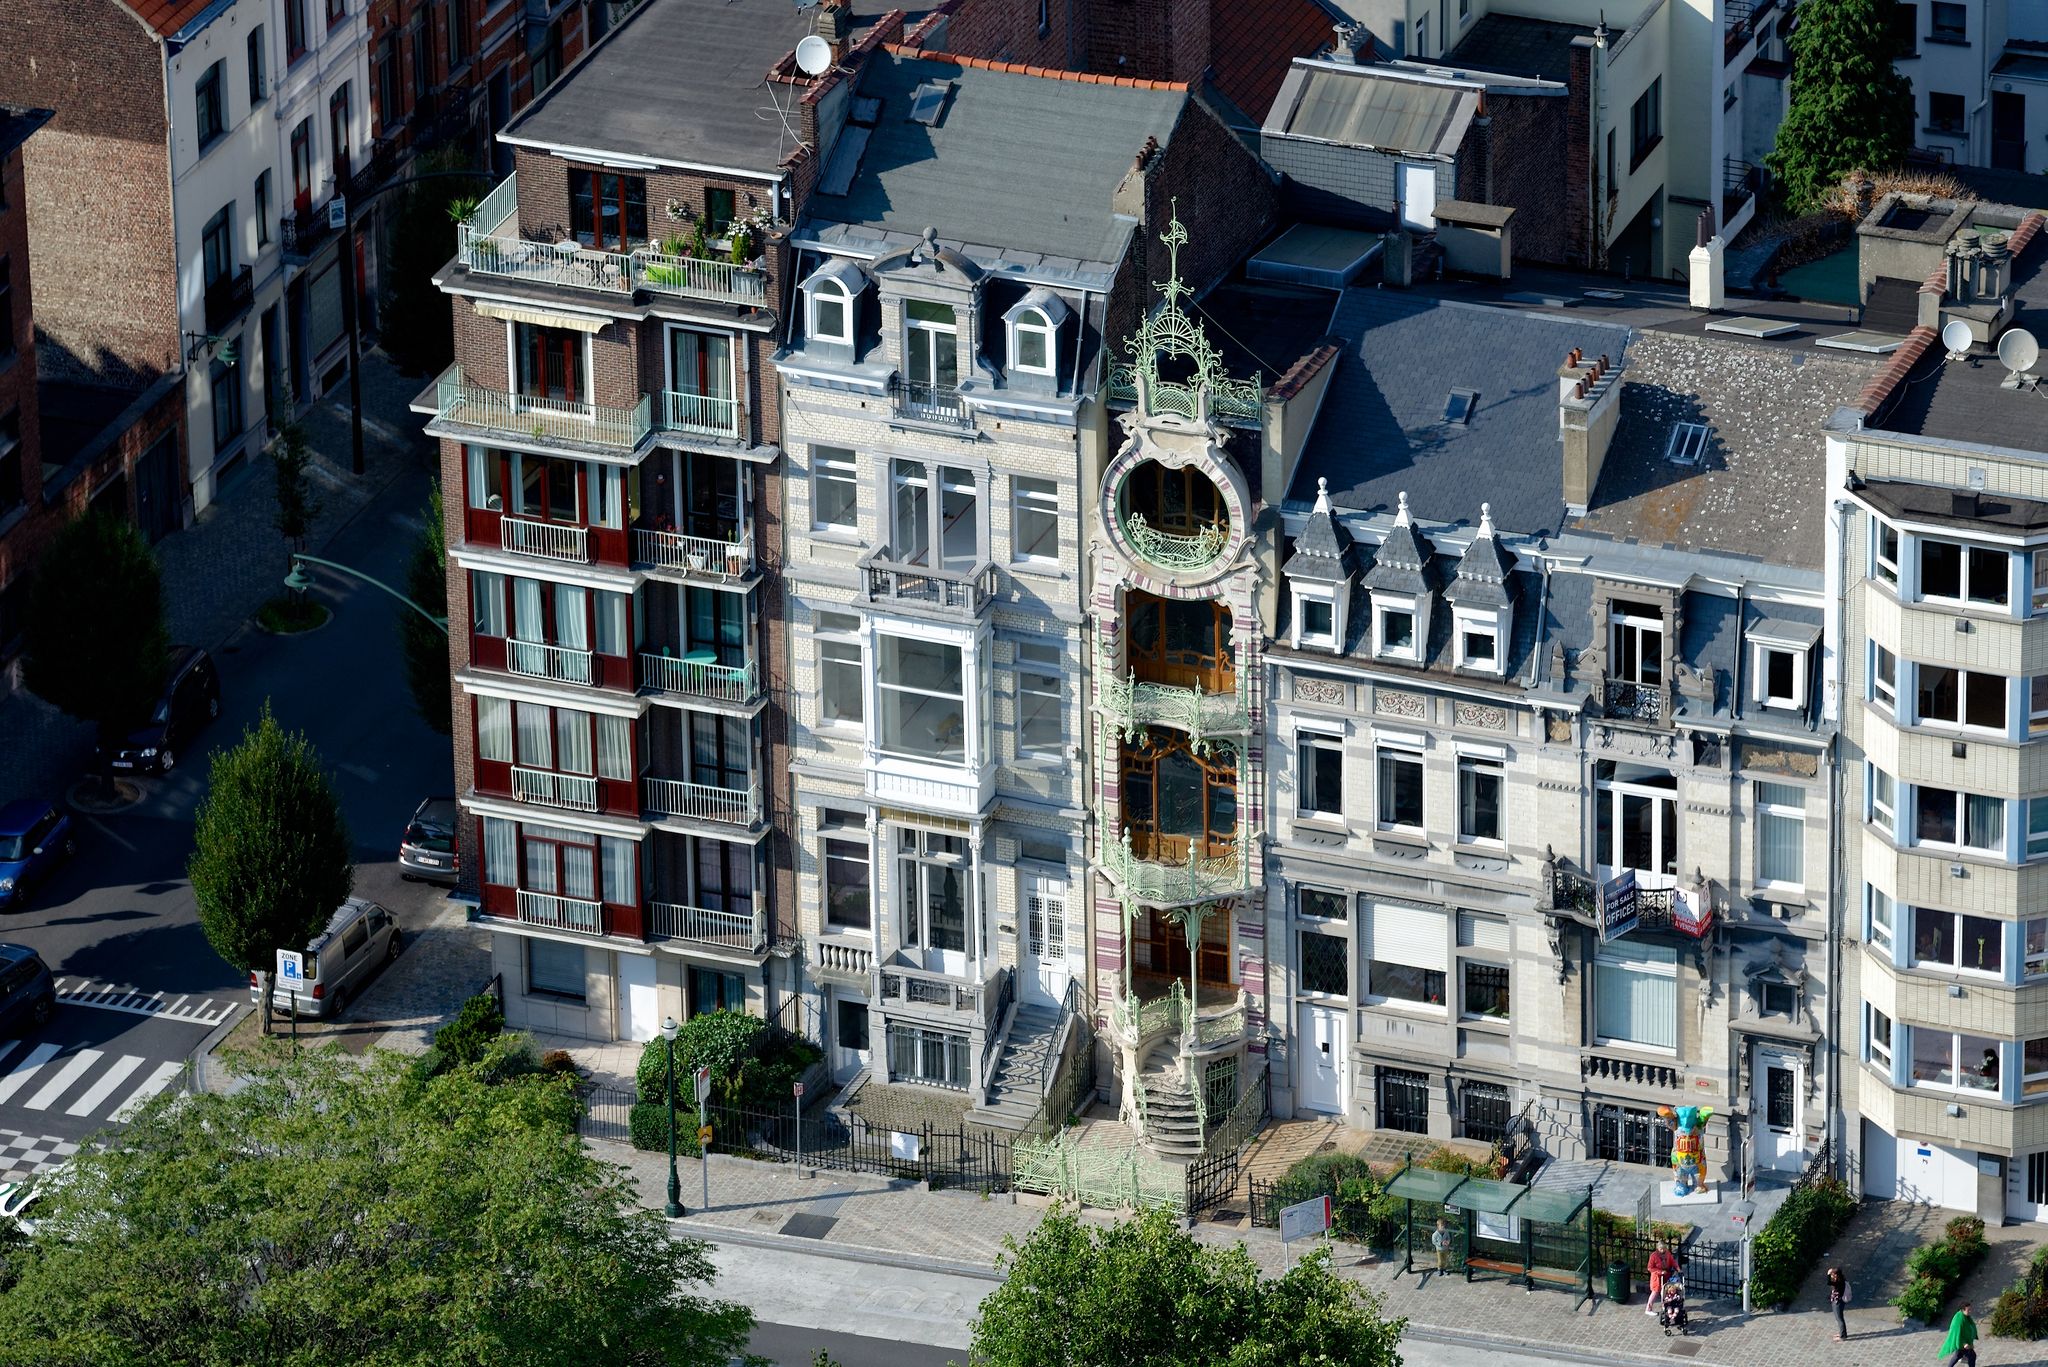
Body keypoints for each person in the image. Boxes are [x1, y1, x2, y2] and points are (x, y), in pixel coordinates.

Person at [1646, 1241, 1679, 1315]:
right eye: (1661, 1248)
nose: (1662, 1250)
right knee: (1655, 1292)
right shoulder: (1653, 1256)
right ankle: (1648, 1309)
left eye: (1664, 1248)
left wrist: (1678, 1268)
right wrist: (1660, 1272)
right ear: (1658, 1248)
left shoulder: (1667, 1253)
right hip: (1657, 1277)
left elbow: (1672, 1261)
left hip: (1666, 1275)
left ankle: (1665, 1306)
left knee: (1664, 1292)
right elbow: (1650, 1268)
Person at [1941, 1303, 1978, 1367]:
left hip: (1965, 1343)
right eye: (1968, 1310)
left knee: (1958, 1355)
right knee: (1972, 1356)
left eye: (1970, 1309)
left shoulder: (1965, 1316)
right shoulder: (1958, 1320)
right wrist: (1964, 1343)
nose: (1970, 1311)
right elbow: (1956, 1334)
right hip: (1963, 1344)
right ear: (1962, 1310)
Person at [1826, 1266, 1850, 1341]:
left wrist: (1828, 1274)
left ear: (1836, 1275)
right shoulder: (1841, 1280)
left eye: (1833, 1274)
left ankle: (1843, 1336)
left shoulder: (1838, 1282)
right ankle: (1842, 1333)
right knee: (1839, 1318)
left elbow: (1829, 1282)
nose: (1832, 1275)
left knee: (1839, 1319)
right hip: (1837, 1301)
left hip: (1838, 1302)